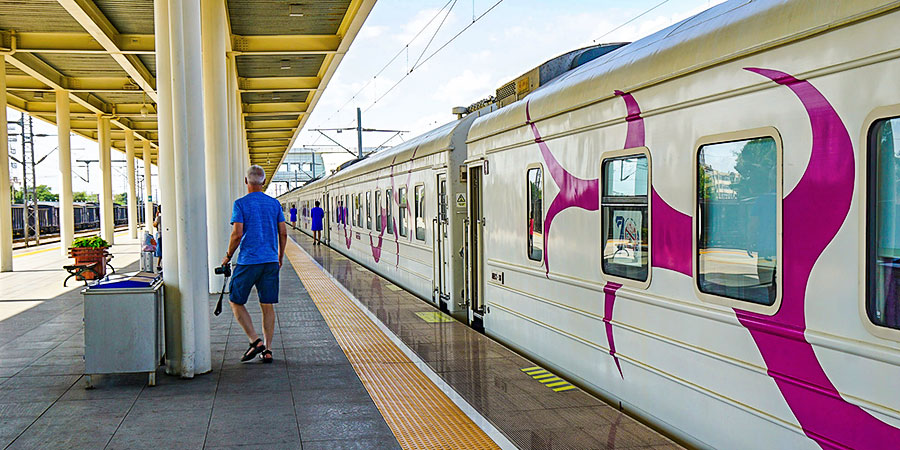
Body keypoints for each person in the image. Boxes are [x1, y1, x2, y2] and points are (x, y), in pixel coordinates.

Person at [222, 165, 287, 364]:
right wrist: (280, 256)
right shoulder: (274, 204)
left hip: (248, 261)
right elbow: (283, 233)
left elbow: (237, 233)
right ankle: (267, 349)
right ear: (264, 182)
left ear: (246, 181)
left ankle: (254, 340)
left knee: (235, 300)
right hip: (269, 261)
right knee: (267, 305)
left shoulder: (240, 204)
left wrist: (228, 255)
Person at [153, 206, 162, 272]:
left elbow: (154, 225)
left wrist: (156, 216)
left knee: (160, 250)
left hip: (160, 236)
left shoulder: (159, 218)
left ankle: (158, 264)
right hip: (165, 236)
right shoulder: (168, 216)